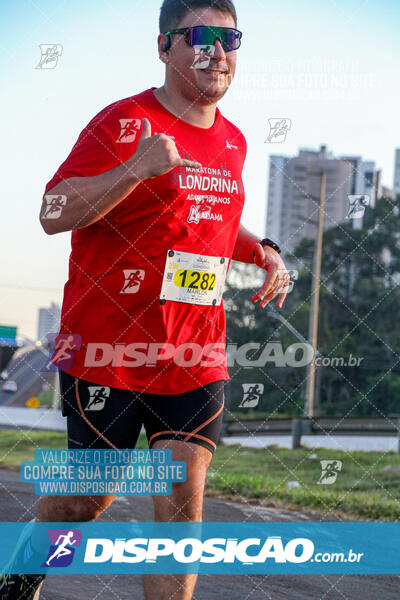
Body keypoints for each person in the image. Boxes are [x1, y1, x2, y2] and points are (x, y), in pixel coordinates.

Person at [0, 1, 290, 598]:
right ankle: (24, 569)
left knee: (183, 494)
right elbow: (52, 213)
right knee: (87, 499)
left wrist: (262, 250)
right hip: (109, 350)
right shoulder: (125, 122)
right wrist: (134, 169)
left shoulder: (232, 141)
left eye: (230, 37)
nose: (218, 51)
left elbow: (205, 223)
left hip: (194, 352)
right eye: (200, 36)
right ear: (165, 48)